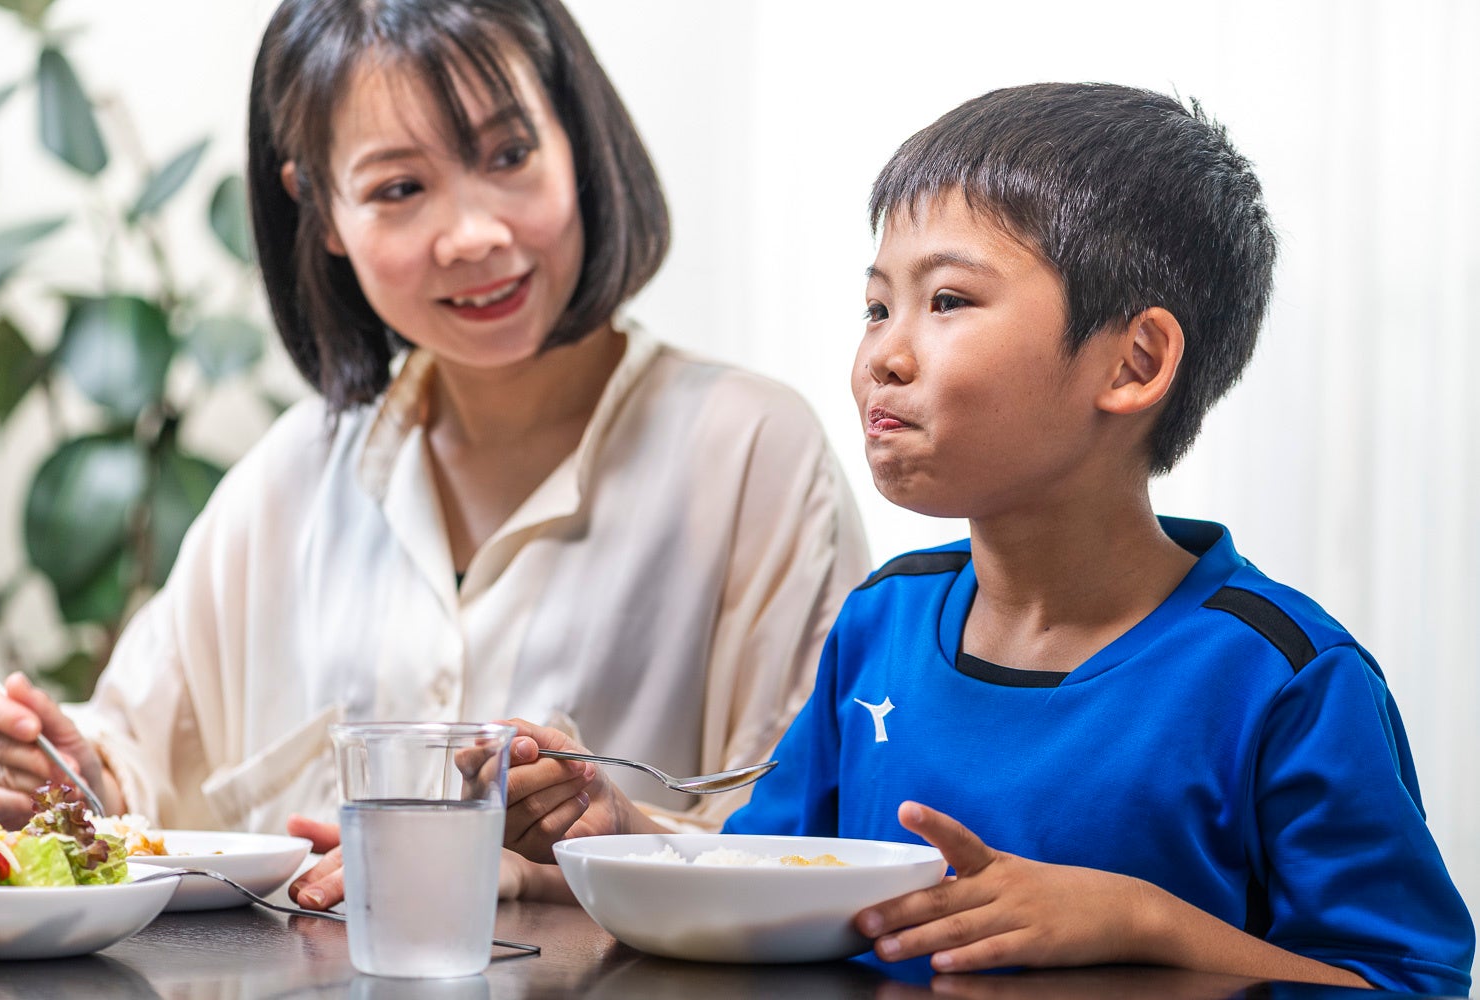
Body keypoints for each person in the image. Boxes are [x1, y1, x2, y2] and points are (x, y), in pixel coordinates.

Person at [499, 83, 1475, 993]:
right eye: (877, 305)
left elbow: (1410, 981)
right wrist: (618, 829)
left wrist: (1144, 920)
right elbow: (771, 872)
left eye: (947, 301)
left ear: (1134, 362)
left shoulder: (1284, 676)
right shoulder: (883, 619)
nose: (883, 353)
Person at [0, 0, 869, 908]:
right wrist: (61, 774)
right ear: (320, 212)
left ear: (576, 138)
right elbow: (133, 765)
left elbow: (825, 834)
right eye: (400, 189)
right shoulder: (292, 476)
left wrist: (614, 836)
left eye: (508, 154)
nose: (474, 235)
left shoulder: (753, 450)